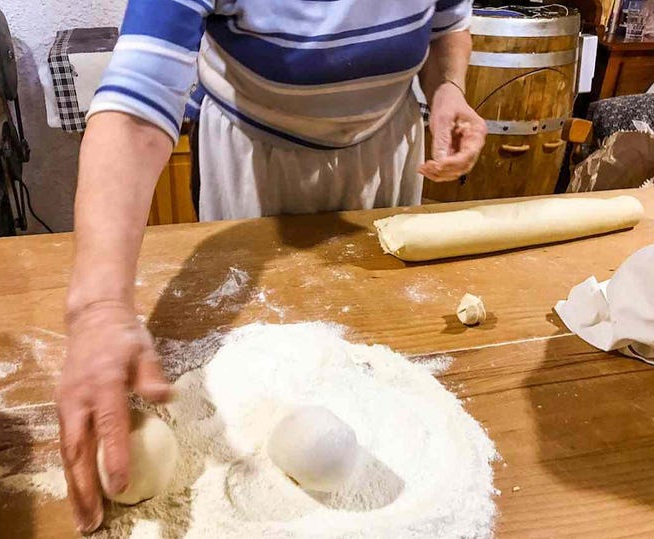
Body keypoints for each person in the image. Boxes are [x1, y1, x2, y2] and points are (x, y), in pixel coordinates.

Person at [57, 0, 487, 532]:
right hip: (257, 160)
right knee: (258, 346)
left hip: (387, 153)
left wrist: (448, 87)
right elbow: (138, 100)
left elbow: (446, 21)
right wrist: (99, 305)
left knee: (382, 327)